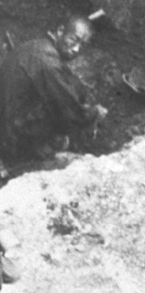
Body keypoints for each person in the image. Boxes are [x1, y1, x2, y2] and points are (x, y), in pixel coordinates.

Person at [0, 16, 106, 176]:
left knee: (70, 90)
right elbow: (72, 113)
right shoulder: (49, 65)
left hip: (7, 117)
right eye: (73, 40)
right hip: (9, 139)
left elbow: (68, 83)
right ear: (60, 31)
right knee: (64, 114)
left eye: (83, 45)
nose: (76, 49)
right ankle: (34, 156)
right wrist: (95, 113)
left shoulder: (38, 46)